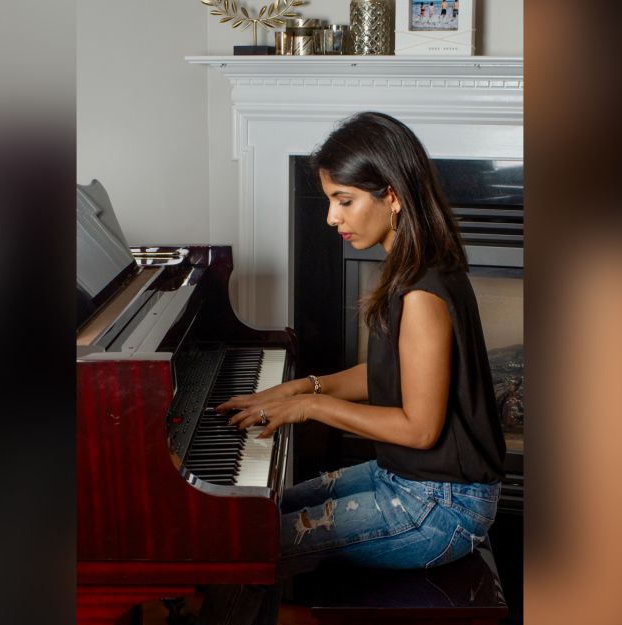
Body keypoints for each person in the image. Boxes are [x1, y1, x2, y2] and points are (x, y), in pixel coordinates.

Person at [199, 112, 506, 624]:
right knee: (251, 517)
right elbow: (386, 373)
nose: (331, 218)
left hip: (439, 508)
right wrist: (296, 387)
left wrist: (311, 407)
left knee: (242, 547)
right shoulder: (414, 265)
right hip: (410, 482)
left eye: (344, 200)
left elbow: (420, 427)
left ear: (392, 195)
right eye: (330, 201)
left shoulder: (423, 293)